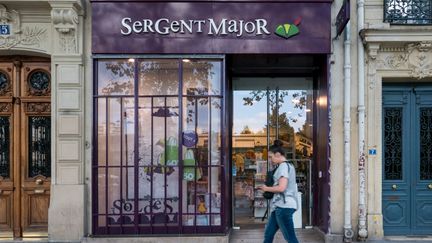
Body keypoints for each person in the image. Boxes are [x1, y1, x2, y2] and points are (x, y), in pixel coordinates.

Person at [257, 140, 299, 243]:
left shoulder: (283, 166)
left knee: (290, 238)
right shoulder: (289, 165)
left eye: (271, 157)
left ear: (278, 154)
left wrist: (266, 188)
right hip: (279, 206)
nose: (270, 160)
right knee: (268, 234)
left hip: (284, 207)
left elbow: (281, 188)